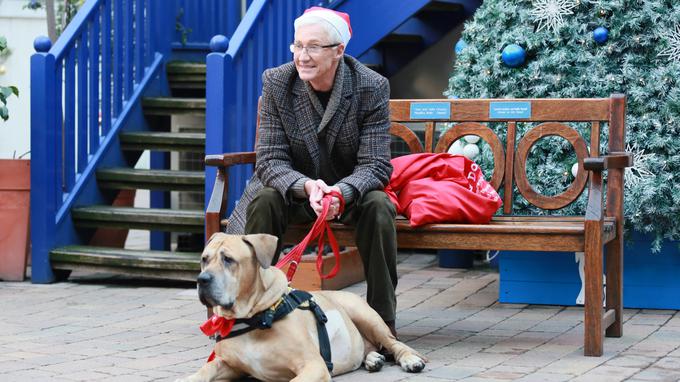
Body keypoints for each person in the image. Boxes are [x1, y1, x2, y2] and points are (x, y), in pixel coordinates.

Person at [225, 6, 398, 336]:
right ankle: (250, 311)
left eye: (313, 47)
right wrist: (307, 187)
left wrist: (340, 192)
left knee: (379, 207)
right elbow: (270, 160)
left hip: (348, 194)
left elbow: (376, 165)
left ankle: (381, 321)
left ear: (339, 51)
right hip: (297, 192)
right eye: (298, 45)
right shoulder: (278, 81)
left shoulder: (370, 86)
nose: (302, 56)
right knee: (264, 199)